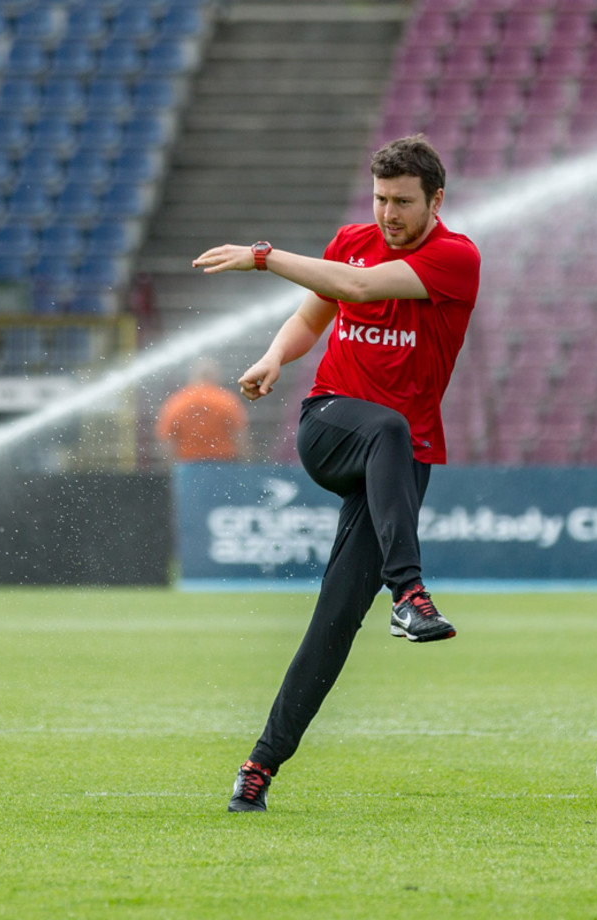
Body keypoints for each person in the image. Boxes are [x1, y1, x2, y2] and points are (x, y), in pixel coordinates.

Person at [192, 134, 480, 812]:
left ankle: (258, 768)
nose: (388, 215)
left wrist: (264, 256)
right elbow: (314, 312)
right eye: (381, 199)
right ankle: (410, 597)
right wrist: (274, 357)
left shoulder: (456, 258)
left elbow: (353, 286)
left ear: (436, 201)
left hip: (401, 460)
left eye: (403, 202)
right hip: (330, 426)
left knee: (335, 621)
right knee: (383, 424)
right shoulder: (352, 237)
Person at [155, 357, 249, 462]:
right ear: (216, 376)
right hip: (222, 464)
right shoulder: (227, 401)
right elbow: (240, 436)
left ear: (193, 376)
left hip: (188, 465)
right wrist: (244, 463)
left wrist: (173, 467)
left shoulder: (177, 402)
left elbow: (166, 440)